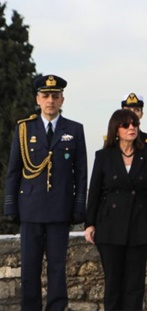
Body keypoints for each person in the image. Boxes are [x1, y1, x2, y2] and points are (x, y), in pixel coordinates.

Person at [4, 74, 88, 311]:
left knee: (57, 269)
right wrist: (10, 206)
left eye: (55, 96)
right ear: (37, 99)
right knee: (30, 270)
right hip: (30, 209)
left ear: (62, 100)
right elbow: (14, 171)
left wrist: (78, 207)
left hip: (60, 210)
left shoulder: (75, 130)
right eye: (45, 96)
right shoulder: (24, 130)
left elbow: (80, 174)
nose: (50, 100)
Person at [84, 108, 147, 310]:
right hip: (110, 227)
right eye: (126, 125)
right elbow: (94, 192)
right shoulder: (104, 156)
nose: (132, 128)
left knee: (135, 285)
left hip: (140, 225)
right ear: (116, 129)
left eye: (135, 124)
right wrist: (90, 224)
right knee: (113, 284)